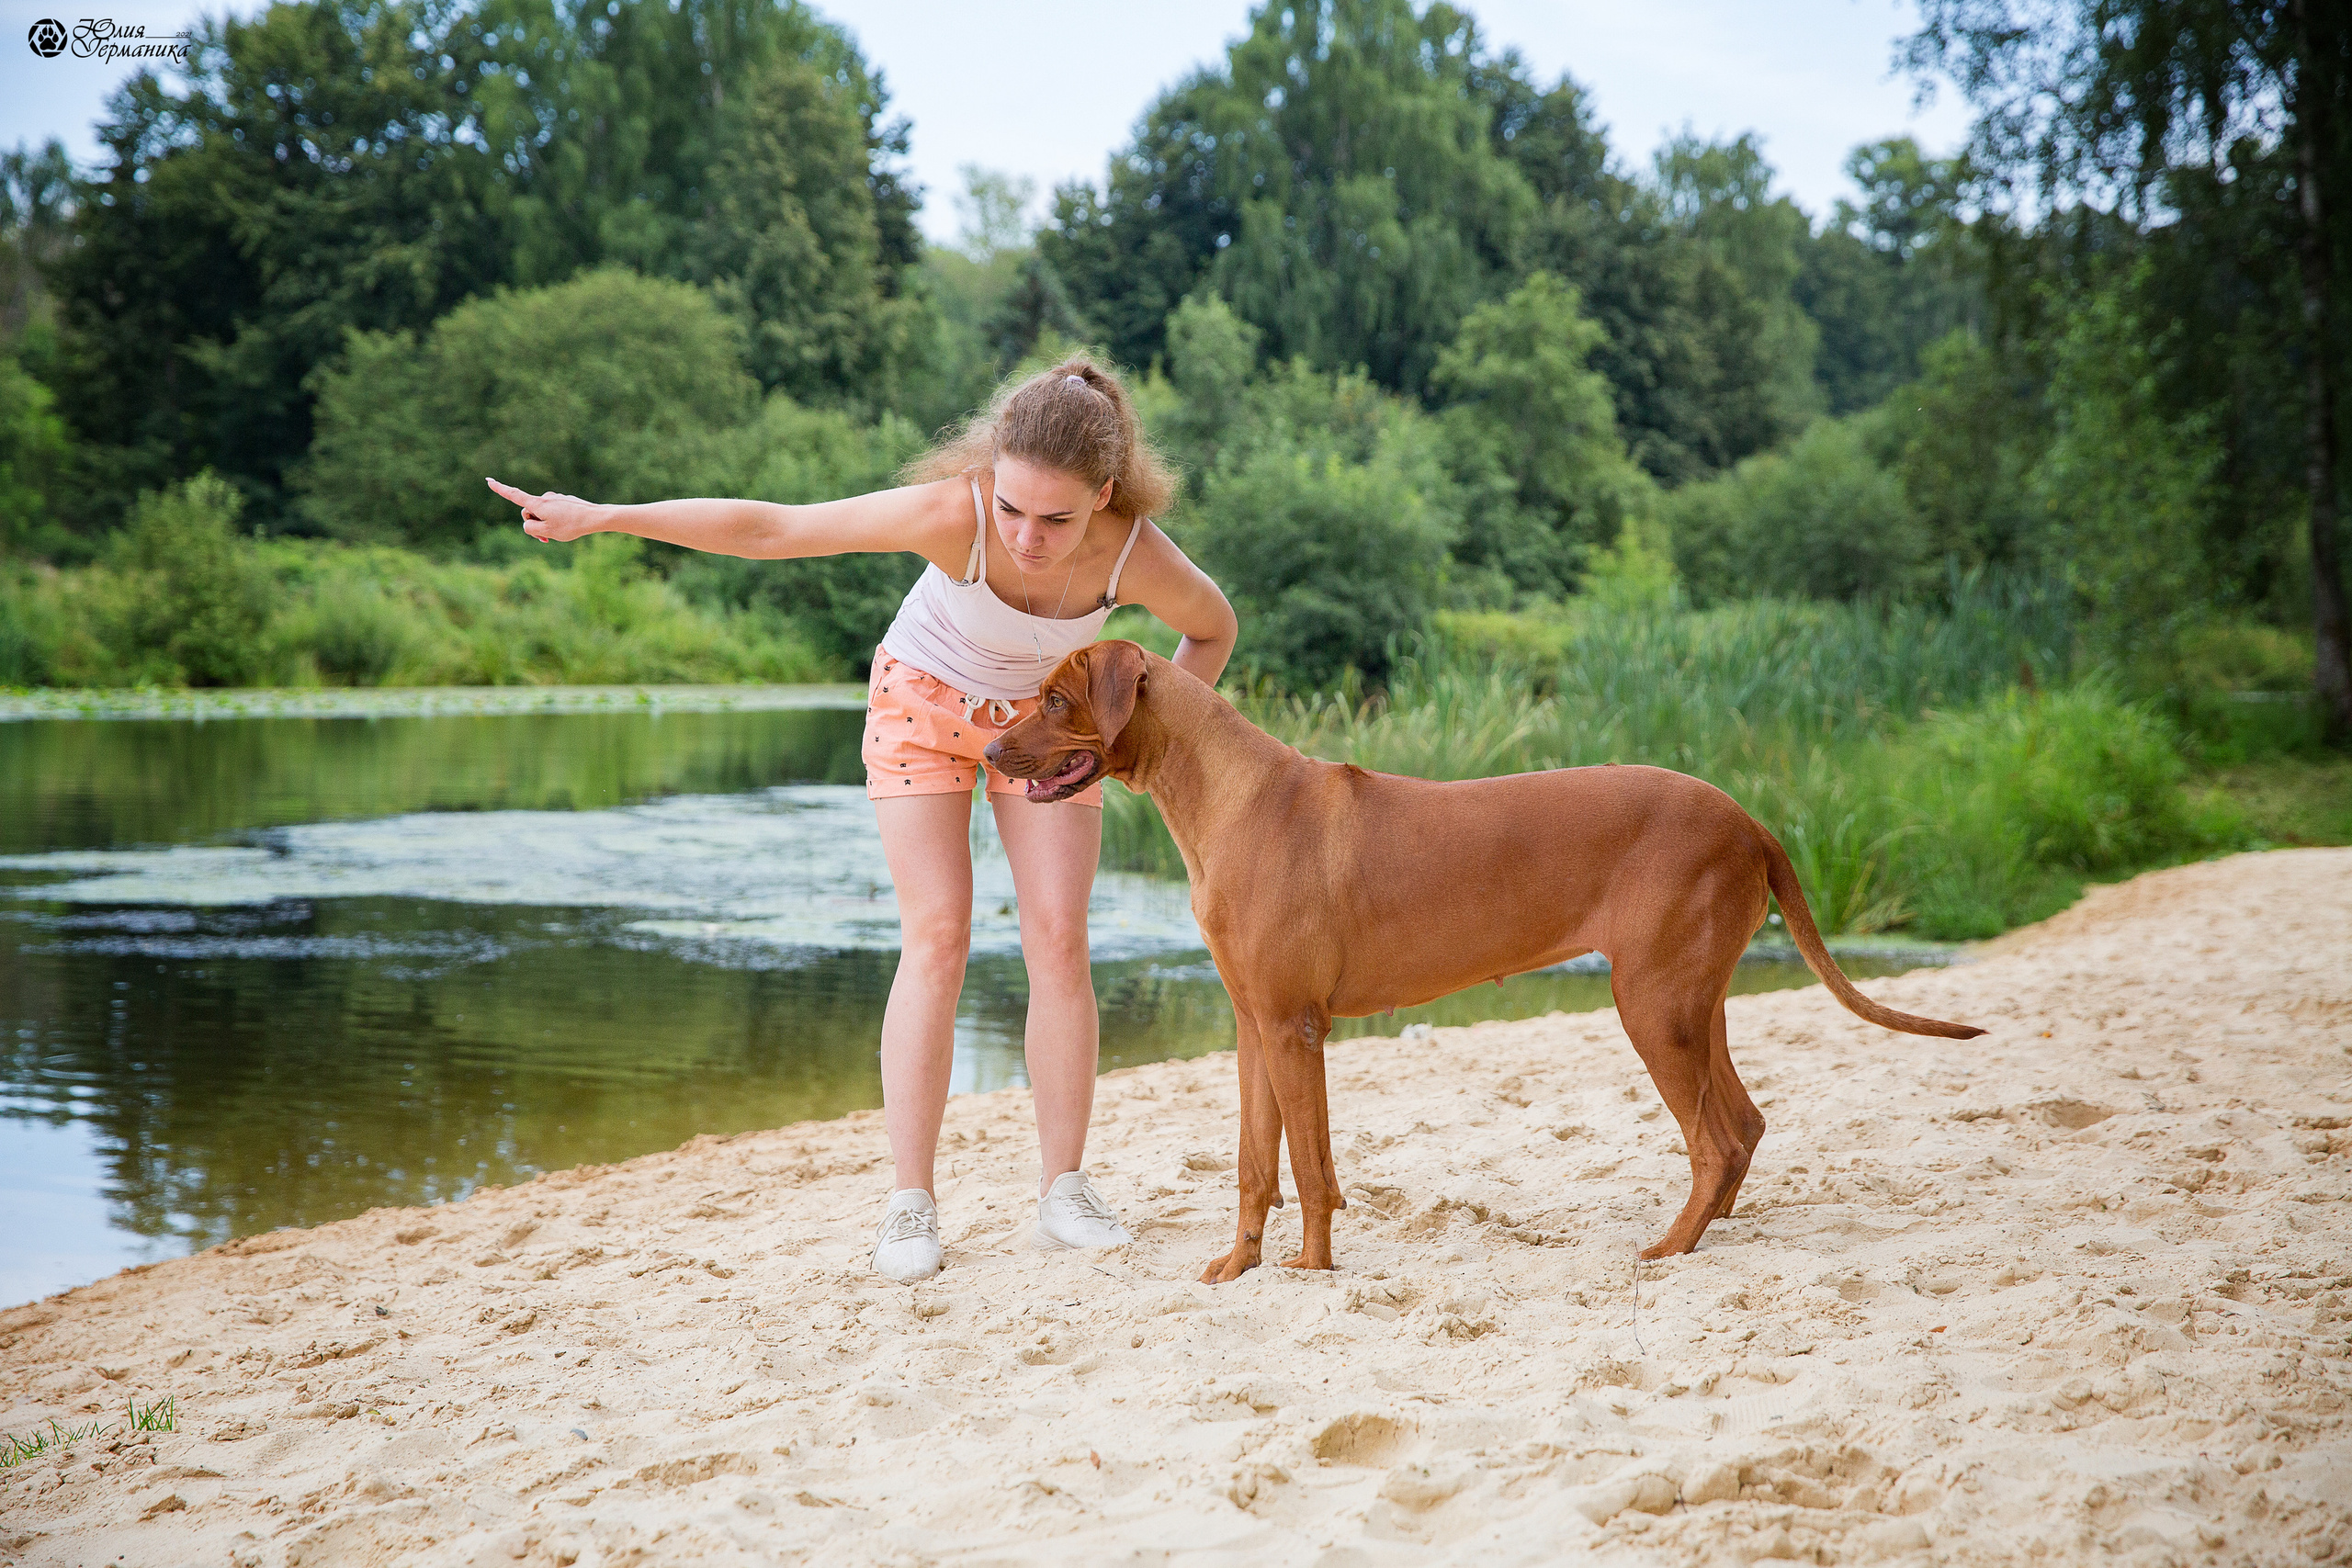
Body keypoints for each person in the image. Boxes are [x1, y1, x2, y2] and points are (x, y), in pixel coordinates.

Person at [487, 358, 1238, 1283]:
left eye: (1056, 518)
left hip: (1045, 728)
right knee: (937, 937)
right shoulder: (951, 514)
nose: (1027, 537)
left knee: (1059, 939)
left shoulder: (1133, 553)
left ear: (1105, 497)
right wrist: (605, 516)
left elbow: (1212, 627)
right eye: (1011, 509)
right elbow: (771, 528)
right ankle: (909, 1205)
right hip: (921, 705)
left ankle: (1063, 1191)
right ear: (990, 475)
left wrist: (1124, 741)